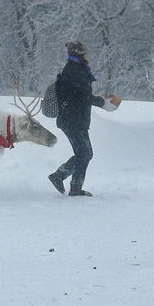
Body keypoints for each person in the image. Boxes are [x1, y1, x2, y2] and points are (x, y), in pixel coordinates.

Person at [48, 40, 120, 197]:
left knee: (84, 154)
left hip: (74, 119)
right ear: (81, 54)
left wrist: (100, 100)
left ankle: (72, 185)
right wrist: (102, 102)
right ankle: (62, 178)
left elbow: (80, 95)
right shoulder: (76, 70)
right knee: (85, 154)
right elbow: (83, 96)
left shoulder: (76, 69)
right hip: (72, 120)